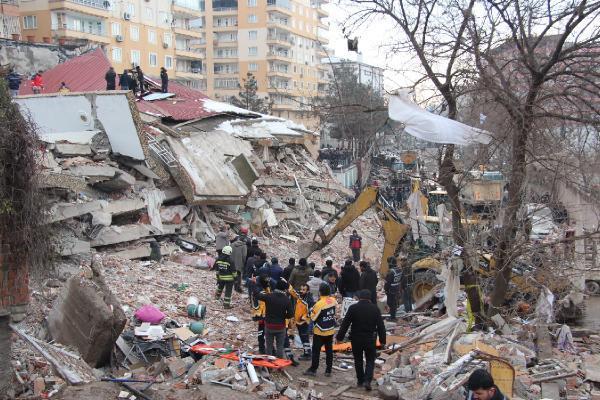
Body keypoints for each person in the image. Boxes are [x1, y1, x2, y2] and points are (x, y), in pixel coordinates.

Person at [336, 289, 386, 391]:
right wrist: (382, 341)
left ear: (359, 297)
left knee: (358, 359)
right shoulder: (375, 309)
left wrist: (339, 337)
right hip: (370, 339)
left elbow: (345, 324)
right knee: (370, 360)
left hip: (356, 338)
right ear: (370, 298)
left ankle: (360, 380)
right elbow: (381, 326)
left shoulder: (353, 308)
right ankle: (367, 380)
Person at [253, 279, 294, 359]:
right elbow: (291, 314)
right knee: (280, 347)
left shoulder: (269, 296)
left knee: (269, 346)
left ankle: (269, 365)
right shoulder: (286, 300)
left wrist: (254, 284)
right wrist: (283, 316)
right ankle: (279, 366)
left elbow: (257, 295)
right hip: (280, 326)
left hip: (269, 326)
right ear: (284, 289)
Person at [304, 283, 337, 377]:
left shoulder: (319, 304)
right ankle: (328, 370)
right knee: (329, 350)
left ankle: (313, 369)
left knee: (316, 351)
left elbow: (313, 318)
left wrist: (310, 312)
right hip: (330, 329)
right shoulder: (333, 300)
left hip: (320, 331)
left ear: (320, 292)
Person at [289, 283, 315, 360]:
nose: (301, 291)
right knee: (303, 337)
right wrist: (287, 284)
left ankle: (308, 354)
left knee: (305, 338)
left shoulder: (309, 300)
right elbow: (293, 292)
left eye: (304, 290)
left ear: (307, 291)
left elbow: (311, 310)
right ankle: (307, 352)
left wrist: (303, 318)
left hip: (303, 322)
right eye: (301, 289)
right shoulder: (301, 296)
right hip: (298, 321)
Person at [251, 275, 270, 354]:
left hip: (263, 315)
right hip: (262, 315)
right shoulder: (261, 291)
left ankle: (264, 348)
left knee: (263, 333)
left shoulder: (262, 289)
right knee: (263, 333)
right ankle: (263, 348)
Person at [384, 256, 402, 321]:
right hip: (397, 289)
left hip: (391, 290)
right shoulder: (399, 269)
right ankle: (393, 315)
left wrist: (386, 289)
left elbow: (387, 283)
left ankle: (392, 317)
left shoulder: (391, 272)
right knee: (394, 303)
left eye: (388, 263)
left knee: (391, 303)